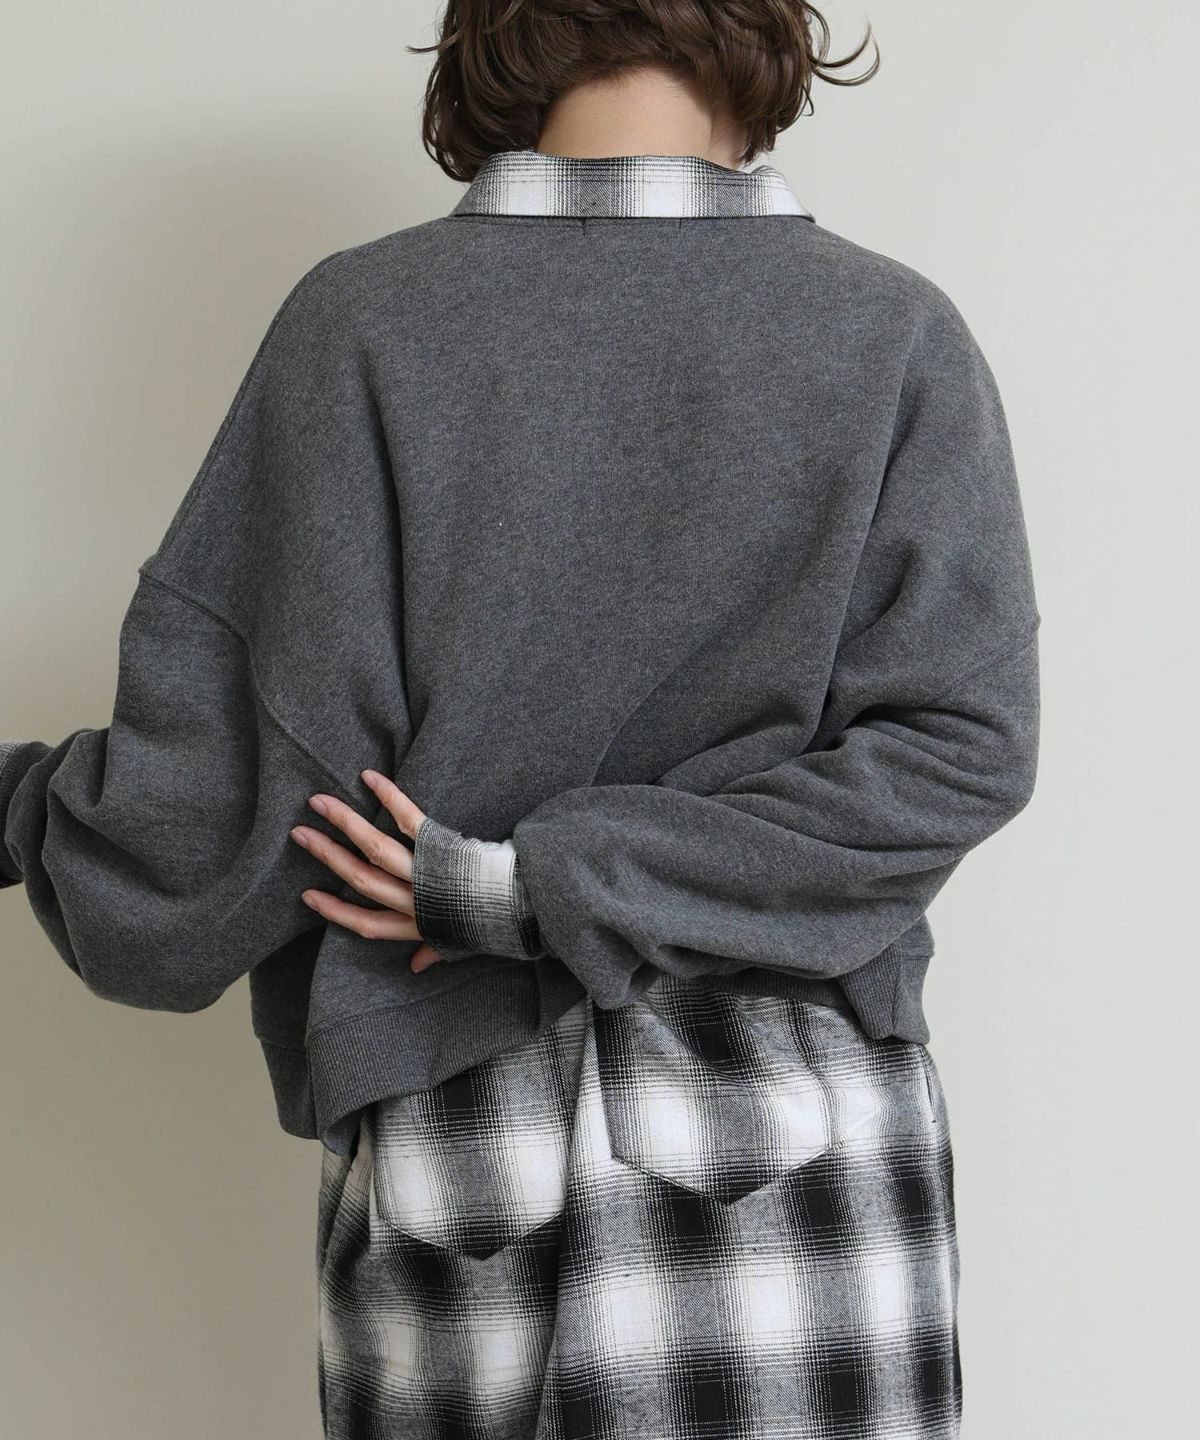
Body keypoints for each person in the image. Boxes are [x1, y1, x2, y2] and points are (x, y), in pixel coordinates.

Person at [0, 4, 1040, 1437]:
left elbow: (202, 834)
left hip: (463, 1172)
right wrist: (548, 886)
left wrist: (518, 888)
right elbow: (958, 751)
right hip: (799, 1181)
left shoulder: (363, 325)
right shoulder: (895, 333)